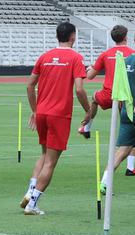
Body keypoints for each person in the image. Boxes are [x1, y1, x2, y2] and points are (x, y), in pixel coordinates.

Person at [21, 21, 90, 216]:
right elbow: (79, 89)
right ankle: (32, 203)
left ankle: (30, 191)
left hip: (42, 112)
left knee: (43, 155)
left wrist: (35, 110)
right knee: (51, 162)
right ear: (73, 36)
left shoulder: (45, 56)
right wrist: (87, 110)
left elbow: (29, 85)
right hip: (59, 115)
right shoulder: (76, 58)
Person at [77, 26, 135, 175]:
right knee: (131, 128)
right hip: (126, 96)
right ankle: (130, 167)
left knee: (94, 99)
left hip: (108, 94)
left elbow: (90, 76)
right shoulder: (133, 54)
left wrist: (89, 69)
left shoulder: (106, 54)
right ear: (126, 37)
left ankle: (87, 127)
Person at [100, 29, 135, 194]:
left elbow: (124, 85)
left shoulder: (125, 61)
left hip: (127, 110)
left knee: (123, 150)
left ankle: (104, 182)